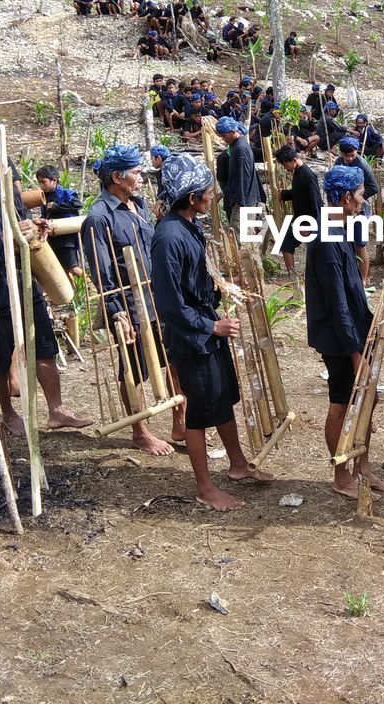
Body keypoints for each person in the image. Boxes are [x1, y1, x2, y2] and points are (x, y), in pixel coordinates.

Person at [152, 153, 274, 510]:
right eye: (208, 191)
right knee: (200, 411)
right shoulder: (168, 238)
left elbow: (195, 281)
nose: (213, 196)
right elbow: (170, 304)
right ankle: (205, 488)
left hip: (208, 331)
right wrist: (211, 326)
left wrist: (222, 289)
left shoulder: (189, 225)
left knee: (221, 398)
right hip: (192, 338)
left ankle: (237, 466)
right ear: (192, 198)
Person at [0, 131, 90, 434]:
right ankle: (7, 412)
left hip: (23, 279)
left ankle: (56, 411)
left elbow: (22, 230)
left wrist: (34, 229)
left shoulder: (8, 196)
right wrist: (5, 241)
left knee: (43, 344)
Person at [81, 143, 186, 455]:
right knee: (133, 367)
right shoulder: (99, 218)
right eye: (137, 173)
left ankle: (180, 421)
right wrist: (117, 312)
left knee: (172, 360)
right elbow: (102, 273)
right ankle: (140, 431)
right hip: (128, 303)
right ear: (117, 176)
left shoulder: (137, 205)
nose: (142, 178)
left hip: (157, 297)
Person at [304, 164, 384, 498]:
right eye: (359, 196)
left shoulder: (340, 228)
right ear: (345, 197)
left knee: (367, 401)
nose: (362, 202)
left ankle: (363, 468)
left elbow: (351, 289)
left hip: (355, 333)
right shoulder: (326, 241)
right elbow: (336, 303)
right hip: (340, 340)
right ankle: (342, 475)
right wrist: (356, 354)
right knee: (342, 404)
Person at [216, 116, 267, 243]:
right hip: (244, 201)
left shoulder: (240, 149)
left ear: (232, 132)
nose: (223, 139)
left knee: (240, 241)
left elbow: (243, 178)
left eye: (224, 136)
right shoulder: (237, 146)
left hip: (244, 203)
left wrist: (239, 203)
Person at [275, 143, 322, 277]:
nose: (285, 168)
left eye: (285, 165)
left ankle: (296, 276)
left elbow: (315, 201)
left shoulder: (308, 175)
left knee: (289, 245)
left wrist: (311, 224)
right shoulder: (298, 172)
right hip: (301, 218)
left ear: (294, 161)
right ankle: (293, 276)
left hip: (308, 219)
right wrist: (284, 195)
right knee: (286, 245)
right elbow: (298, 193)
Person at [336, 136, 377, 284]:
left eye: (352, 155)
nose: (349, 159)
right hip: (345, 208)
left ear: (357, 151)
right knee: (347, 242)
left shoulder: (363, 165)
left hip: (360, 209)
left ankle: (364, 280)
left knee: (360, 244)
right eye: (346, 156)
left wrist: (357, 196)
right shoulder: (339, 162)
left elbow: (374, 187)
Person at [36, 166, 83, 275]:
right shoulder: (43, 197)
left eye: (44, 182)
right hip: (52, 237)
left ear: (54, 180)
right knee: (62, 271)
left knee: (73, 268)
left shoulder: (66, 193)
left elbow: (77, 205)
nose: (41, 186)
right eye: (40, 183)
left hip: (66, 239)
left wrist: (57, 207)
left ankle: (93, 287)